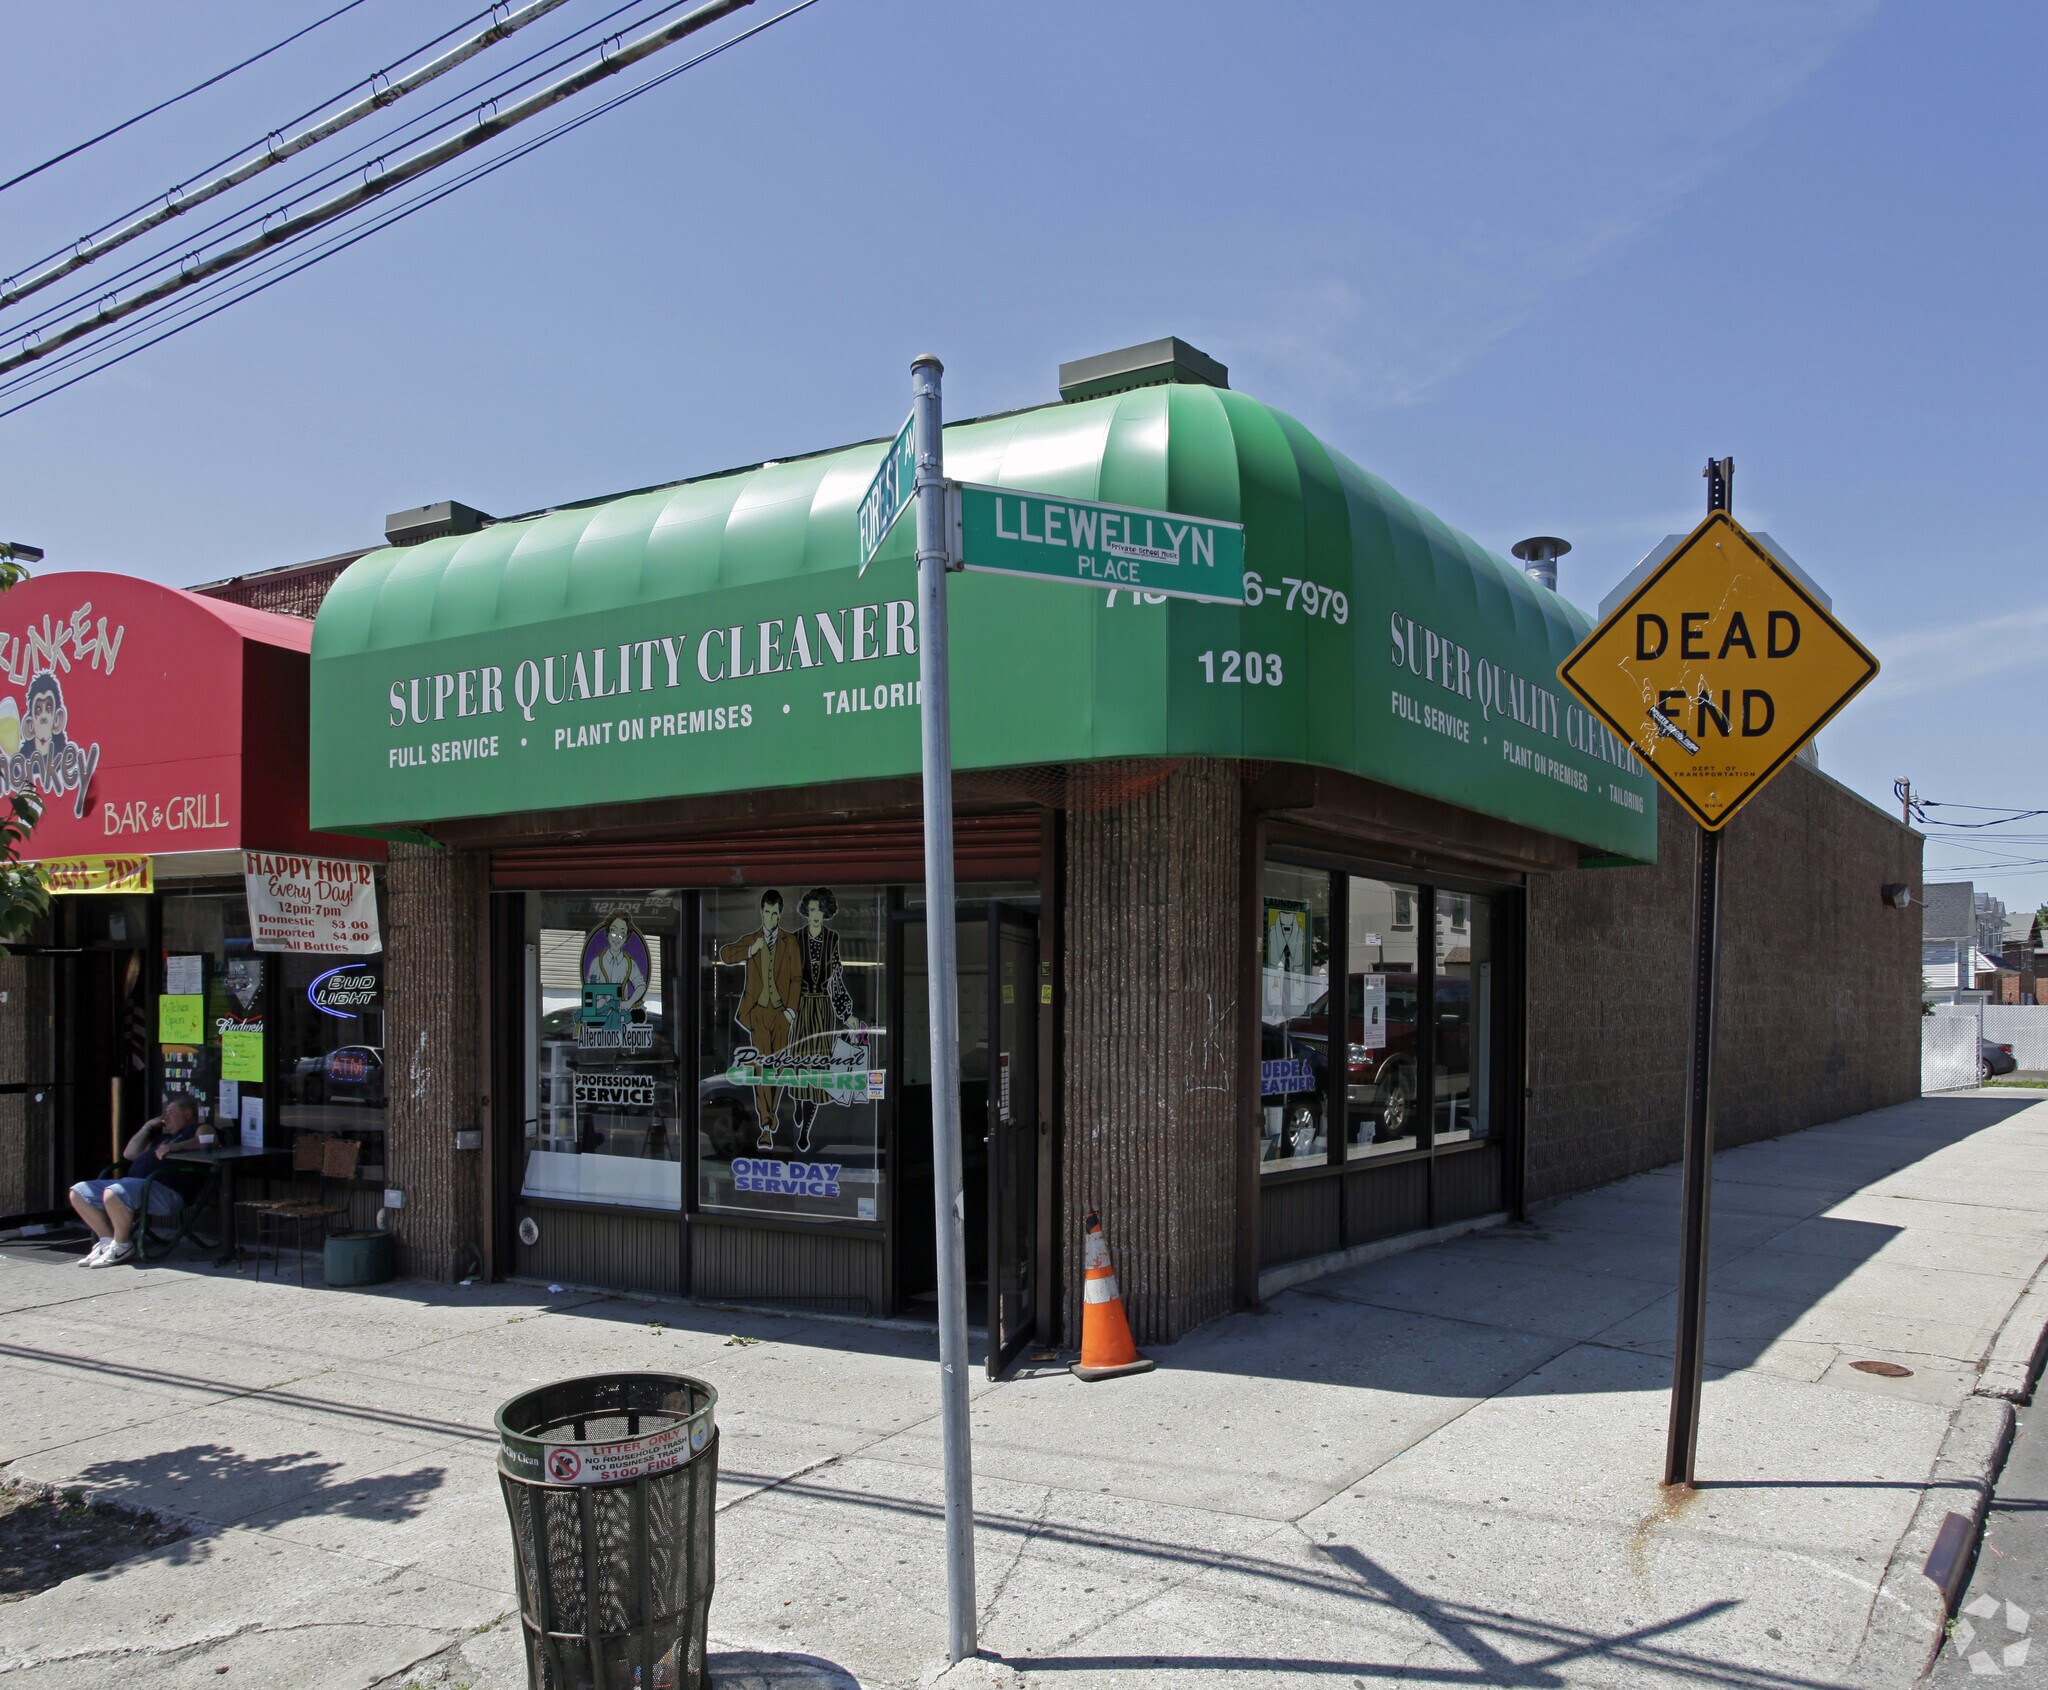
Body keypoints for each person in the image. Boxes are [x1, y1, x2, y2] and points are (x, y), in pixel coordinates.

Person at [69, 1095, 203, 1267]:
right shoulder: (162, 1138)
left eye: (170, 1113)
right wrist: (147, 1126)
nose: (165, 1117)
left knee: (114, 1193)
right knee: (79, 1192)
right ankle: (108, 1241)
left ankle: (122, 1245)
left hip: (167, 1191)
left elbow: (207, 1139)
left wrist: (176, 1146)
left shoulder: (198, 1128)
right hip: (137, 1185)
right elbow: (129, 1153)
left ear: (187, 1113)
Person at [717, 890, 804, 1148]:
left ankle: (770, 1115)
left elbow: (797, 978)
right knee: (762, 1068)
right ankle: (766, 1124)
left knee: (777, 1068)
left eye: (775, 913)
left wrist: (790, 1011)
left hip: (781, 1014)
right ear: (761, 912)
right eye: (767, 912)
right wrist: (749, 950)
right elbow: (725, 954)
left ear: (781, 914)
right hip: (757, 1012)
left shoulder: (790, 942)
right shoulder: (751, 939)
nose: (771, 918)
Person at [786, 888, 864, 1155]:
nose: (815, 914)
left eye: (819, 909)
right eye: (811, 909)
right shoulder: (795, 940)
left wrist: (846, 1013)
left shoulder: (833, 939)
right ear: (805, 912)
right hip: (800, 1007)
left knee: (817, 1072)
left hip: (822, 1010)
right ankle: (798, 1103)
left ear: (826, 912)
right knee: (800, 1065)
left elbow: (836, 981)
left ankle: (805, 1131)